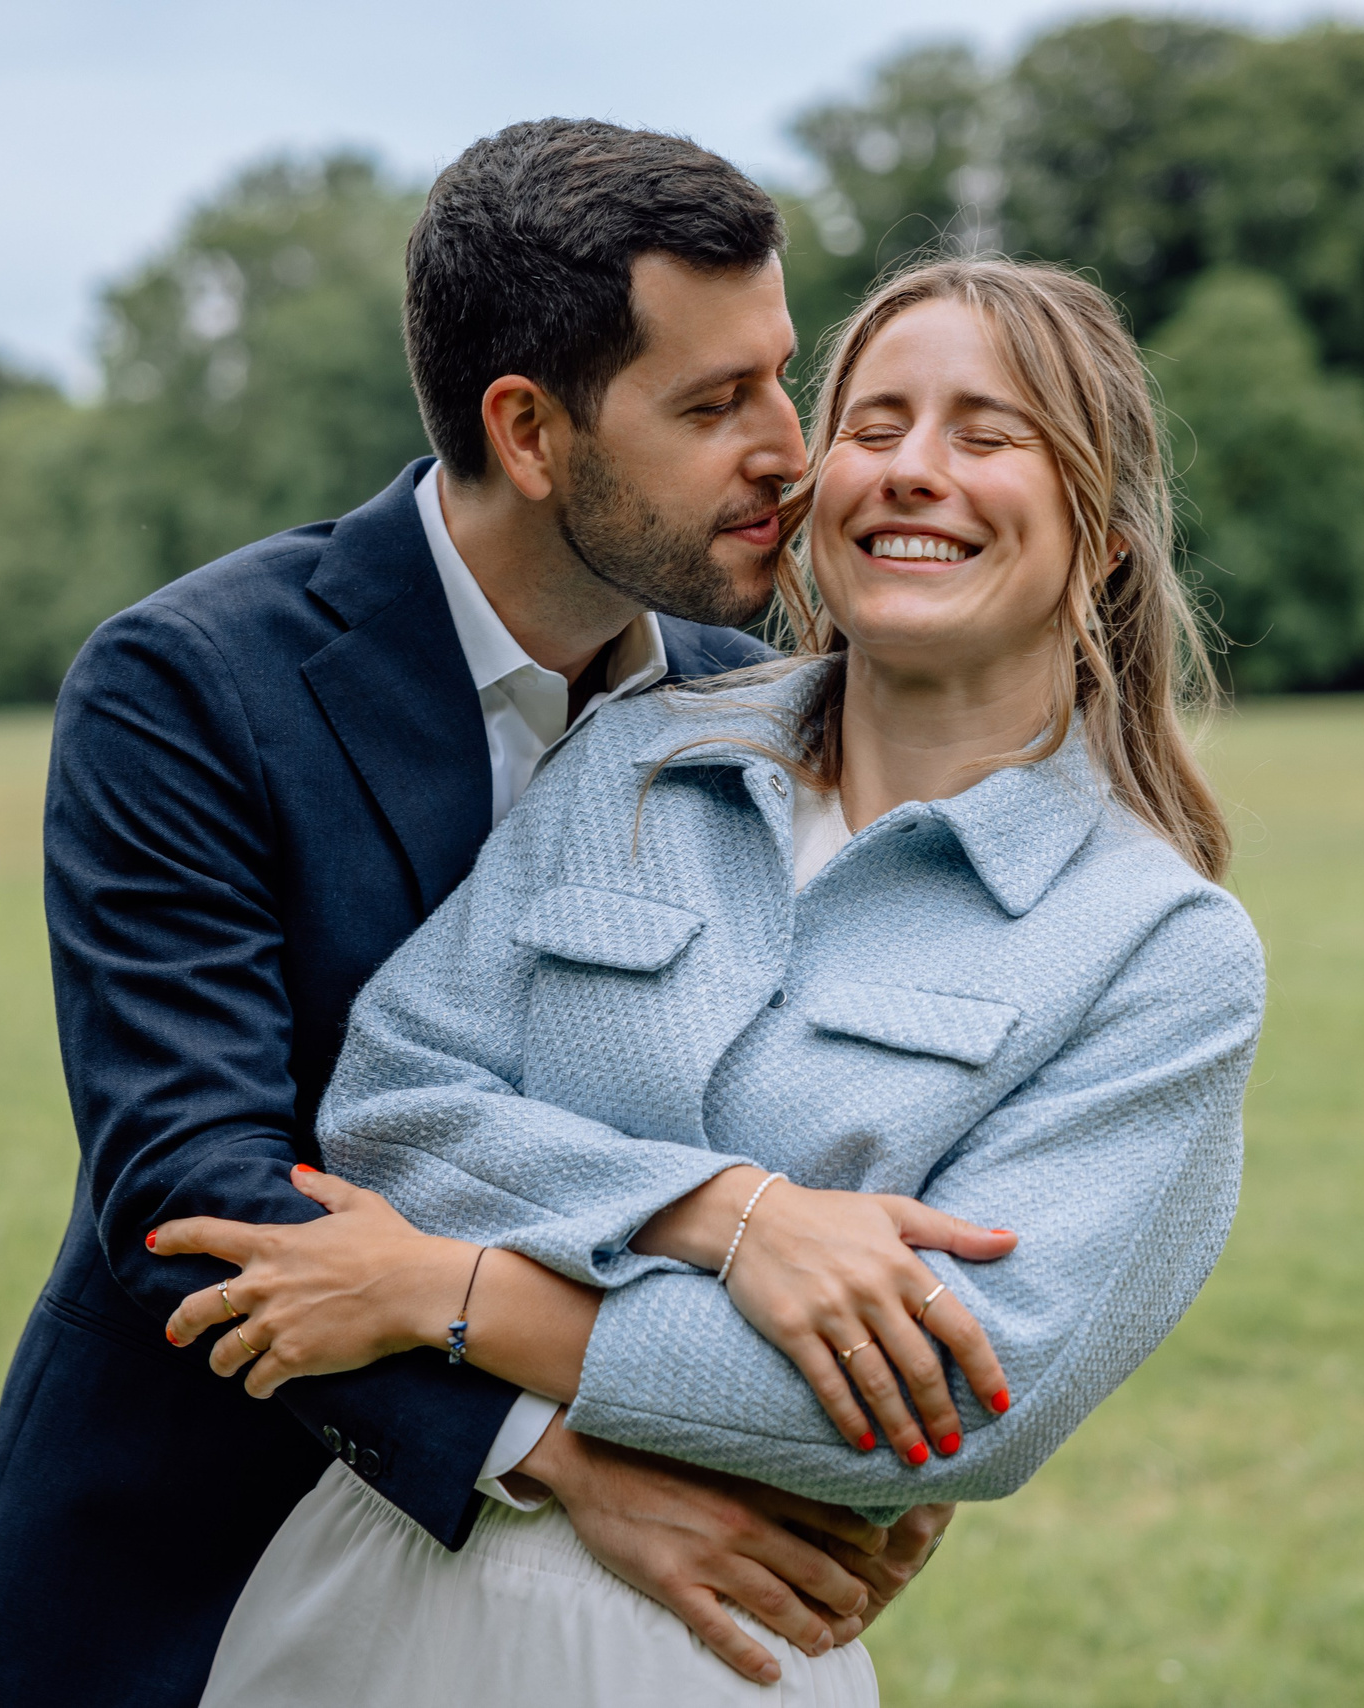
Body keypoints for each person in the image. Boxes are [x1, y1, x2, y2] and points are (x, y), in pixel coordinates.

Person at [0, 120, 955, 1708]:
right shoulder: (191, 686)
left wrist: (867, 1441)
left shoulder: (765, 701)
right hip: (206, 1556)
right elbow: (194, 1193)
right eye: (712, 402)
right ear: (529, 430)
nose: (789, 451)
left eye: (779, 377)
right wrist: (566, 1452)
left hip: (642, 1620)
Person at [150, 256, 1266, 1704]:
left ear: (1105, 538)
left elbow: (954, 1406)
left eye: (988, 437)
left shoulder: (1157, 949)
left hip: (713, 1652)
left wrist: (449, 1288)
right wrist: (734, 1226)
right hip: (365, 1602)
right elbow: (391, 1110)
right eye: (873, 426)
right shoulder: (633, 754)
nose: (916, 473)